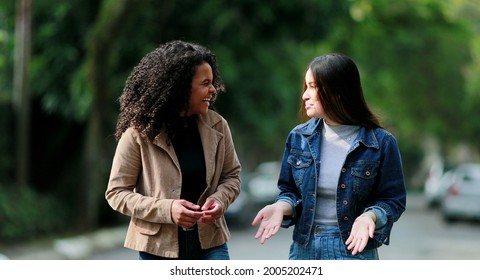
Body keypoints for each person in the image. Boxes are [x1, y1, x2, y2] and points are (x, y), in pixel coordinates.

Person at [251, 53, 406, 260]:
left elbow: (393, 200)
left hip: (353, 248)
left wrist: (370, 216)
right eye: (305, 86)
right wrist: (280, 207)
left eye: (312, 87)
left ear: (337, 92)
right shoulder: (299, 137)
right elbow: (289, 192)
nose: (304, 95)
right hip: (304, 248)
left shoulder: (381, 143)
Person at [105, 40, 241, 260]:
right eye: (205, 83)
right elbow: (116, 193)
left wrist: (220, 199)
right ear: (181, 88)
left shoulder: (219, 126)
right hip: (157, 249)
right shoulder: (138, 134)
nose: (213, 89)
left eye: (212, 82)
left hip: (210, 244)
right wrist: (168, 210)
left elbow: (232, 177)